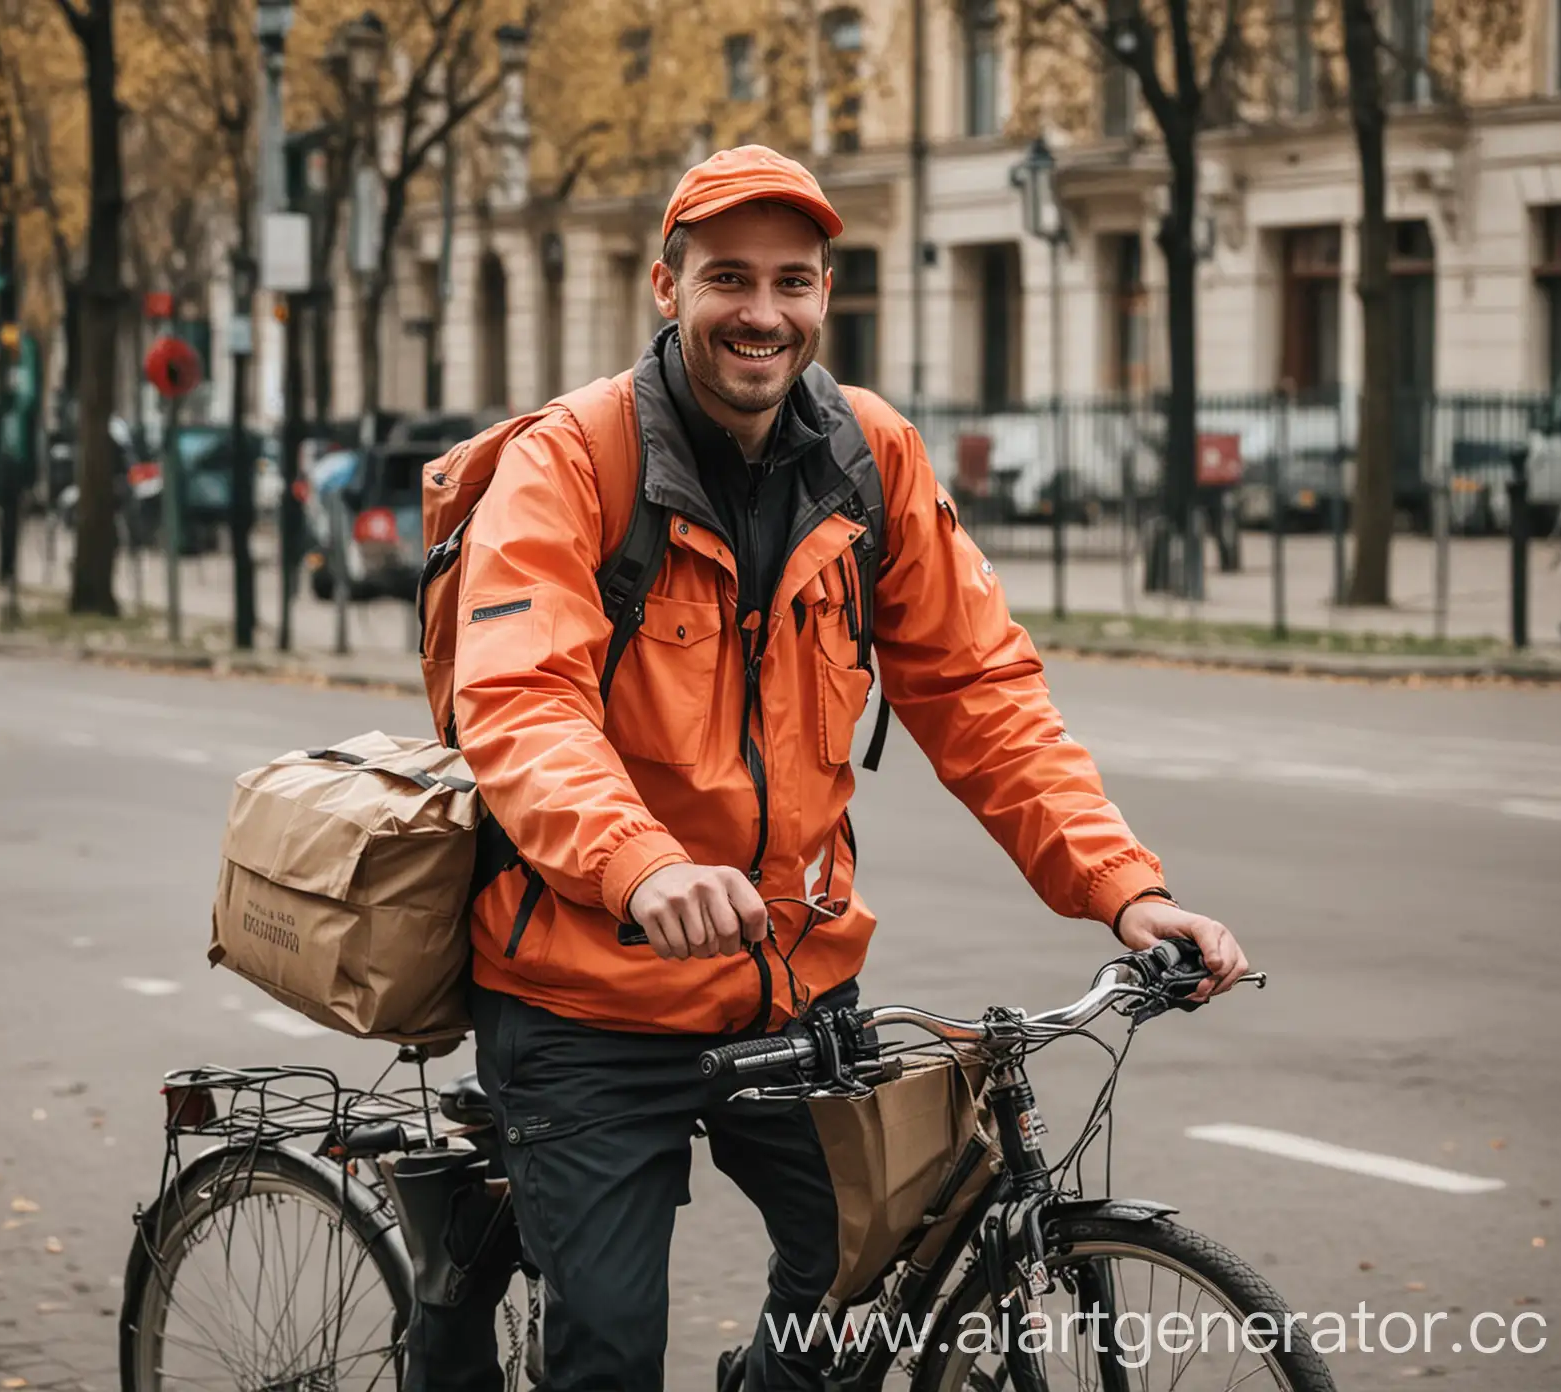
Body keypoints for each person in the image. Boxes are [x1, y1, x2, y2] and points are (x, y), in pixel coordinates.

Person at [438, 145, 1250, 1391]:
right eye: (727, 279)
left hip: (790, 987)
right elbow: (522, 705)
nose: (762, 312)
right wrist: (641, 864)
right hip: (589, 993)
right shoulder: (573, 465)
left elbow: (982, 695)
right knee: (605, 1349)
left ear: (826, 293)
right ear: (668, 286)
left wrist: (1125, 889)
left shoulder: (869, 460)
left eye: (792, 282)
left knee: (873, 1285)